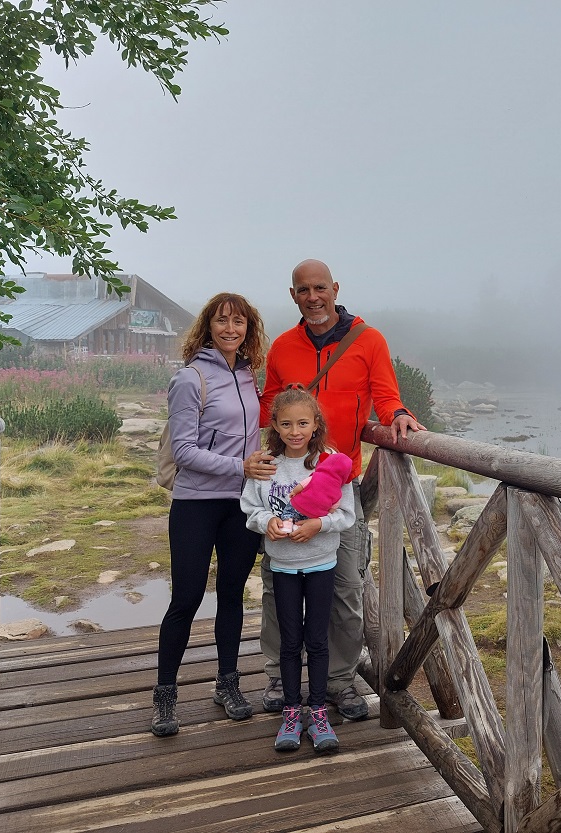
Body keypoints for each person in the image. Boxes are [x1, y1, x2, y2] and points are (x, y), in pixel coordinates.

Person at [246, 259, 424, 721]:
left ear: (335, 288)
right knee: (275, 589)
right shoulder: (283, 348)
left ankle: (339, 683)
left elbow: (385, 394)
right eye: (303, 290)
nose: (313, 297)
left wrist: (399, 415)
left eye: (320, 288)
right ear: (293, 295)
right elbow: (267, 404)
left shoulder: (368, 340)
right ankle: (275, 678)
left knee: (345, 590)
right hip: (286, 488)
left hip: (339, 488)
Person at [151, 293, 267, 737]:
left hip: (240, 505)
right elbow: (183, 451)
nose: (231, 329)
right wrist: (241, 466)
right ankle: (165, 696)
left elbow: (252, 436)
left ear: (248, 330)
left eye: (239, 322)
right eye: (222, 321)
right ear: (208, 327)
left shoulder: (247, 376)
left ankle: (228, 684)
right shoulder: (190, 378)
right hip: (196, 505)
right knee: (185, 600)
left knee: (233, 595)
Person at [241, 389, 355, 752]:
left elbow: (347, 514)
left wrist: (318, 525)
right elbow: (250, 508)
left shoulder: (330, 461)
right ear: (274, 424)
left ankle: (318, 711)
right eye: (286, 423)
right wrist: (267, 522)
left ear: (316, 424)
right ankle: (292, 712)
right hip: (284, 566)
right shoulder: (267, 464)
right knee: (290, 642)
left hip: (322, 563)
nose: (295, 431)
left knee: (317, 640)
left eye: (303, 423)